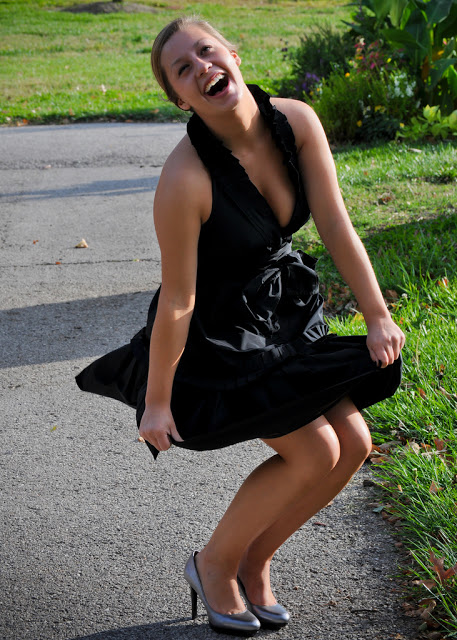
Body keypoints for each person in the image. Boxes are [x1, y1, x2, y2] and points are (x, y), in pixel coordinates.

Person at [76, 16, 405, 636]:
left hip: (282, 310)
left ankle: (256, 560)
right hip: (220, 338)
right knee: (316, 450)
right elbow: (178, 300)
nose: (201, 67)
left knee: (355, 444)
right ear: (180, 98)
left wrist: (377, 314)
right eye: (183, 69)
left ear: (233, 53)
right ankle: (214, 564)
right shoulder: (186, 179)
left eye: (206, 51)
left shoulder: (295, 122)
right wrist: (157, 401)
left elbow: (335, 223)